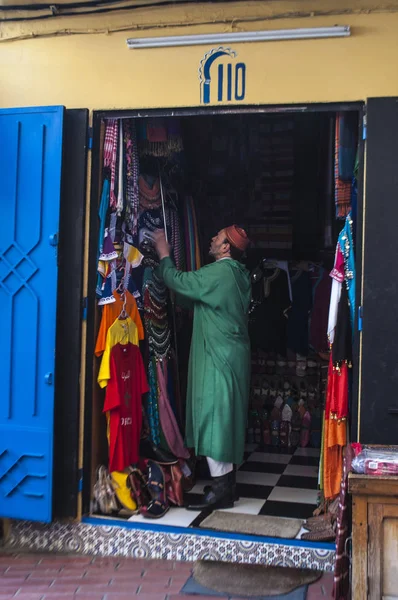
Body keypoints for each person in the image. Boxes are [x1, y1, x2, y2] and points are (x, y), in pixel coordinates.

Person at [151, 225, 251, 509]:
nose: (211, 238)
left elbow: (180, 282)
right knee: (226, 417)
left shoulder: (220, 272)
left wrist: (163, 253)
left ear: (225, 248)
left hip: (218, 357)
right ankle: (228, 486)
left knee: (214, 417)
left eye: (216, 236)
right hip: (231, 355)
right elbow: (192, 295)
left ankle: (220, 490)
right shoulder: (236, 275)